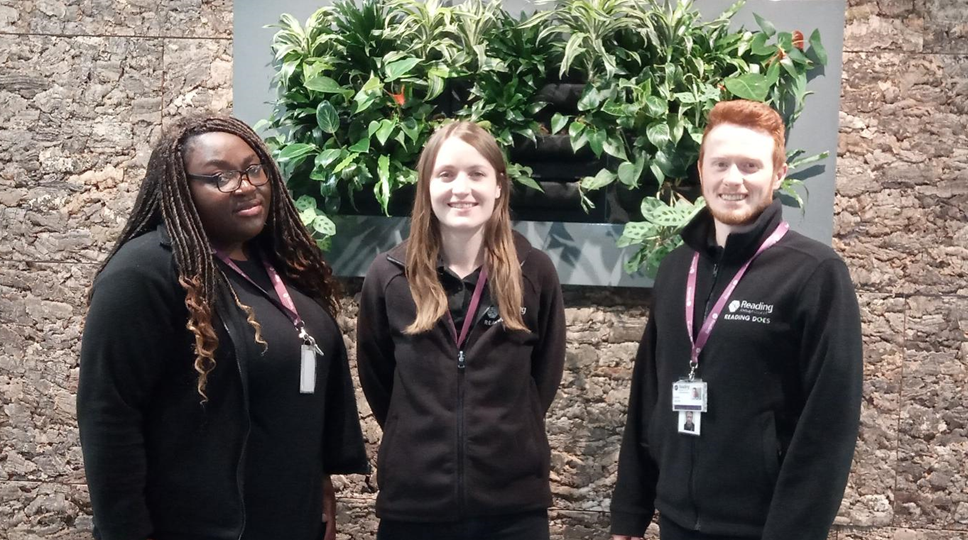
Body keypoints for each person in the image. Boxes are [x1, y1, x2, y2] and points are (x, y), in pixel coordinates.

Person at [77, 115, 368, 540]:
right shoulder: (146, 273)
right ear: (180, 189)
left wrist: (317, 479)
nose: (247, 185)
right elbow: (108, 419)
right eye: (221, 178)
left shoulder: (279, 266)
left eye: (254, 169)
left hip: (288, 521)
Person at [610, 100, 863, 540]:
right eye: (720, 163)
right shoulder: (676, 268)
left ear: (778, 174)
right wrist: (630, 510)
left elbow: (828, 426)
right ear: (701, 169)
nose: (733, 179)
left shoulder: (814, 273)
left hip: (760, 528)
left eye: (750, 165)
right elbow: (648, 391)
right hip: (674, 522)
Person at [356, 121, 566, 540]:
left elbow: (542, 379)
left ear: (499, 186)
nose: (461, 188)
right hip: (414, 508)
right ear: (427, 186)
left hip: (513, 510)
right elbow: (379, 382)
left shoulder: (534, 271)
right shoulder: (389, 277)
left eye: (476, 174)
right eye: (446, 174)